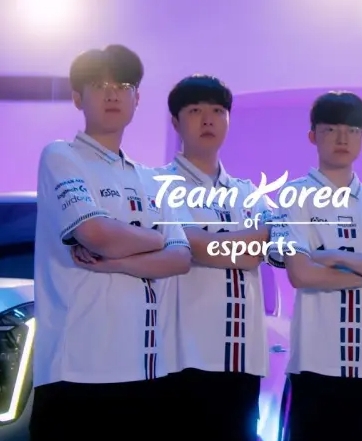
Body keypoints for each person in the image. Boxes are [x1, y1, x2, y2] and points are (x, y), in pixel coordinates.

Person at [30, 45, 191, 440]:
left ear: (137, 98)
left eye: (123, 86)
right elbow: (96, 234)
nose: (112, 94)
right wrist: (155, 238)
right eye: (99, 85)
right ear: (77, 98)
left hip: (146, 371)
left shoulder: (151, 179)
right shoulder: (62, 156)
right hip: (77, 373)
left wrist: (118, 261)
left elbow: (180, 259)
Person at [267, 91, 362, 441]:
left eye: (353, 130)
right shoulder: (293, 198)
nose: (343, 138)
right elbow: (301, 274)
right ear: (313, 136)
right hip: (313, 366)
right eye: (331, 129)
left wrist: (337, 257)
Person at [156, 75, 272, 441]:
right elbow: (190, 245)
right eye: (195, 111)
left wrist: (211, 245)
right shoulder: (156, 185)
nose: (208, 120)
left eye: (218, 111)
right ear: (175, 122)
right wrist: (245, 245)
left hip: (242, 360)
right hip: (179, 357)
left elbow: (269, 245)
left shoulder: (249, 193)